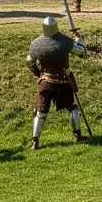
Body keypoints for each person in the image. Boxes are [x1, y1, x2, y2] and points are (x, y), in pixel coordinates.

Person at [26, 15, 87, 149]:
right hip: (63, 80)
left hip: (45, 81)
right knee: (72, 108)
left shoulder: (36, 43)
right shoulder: (64, 41)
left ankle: (35, 140)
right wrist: (77, 38)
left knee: (40, 112)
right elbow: (82, 51)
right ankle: (77, 135)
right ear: (56, 26)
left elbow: (29, 61)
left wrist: (38, 74)